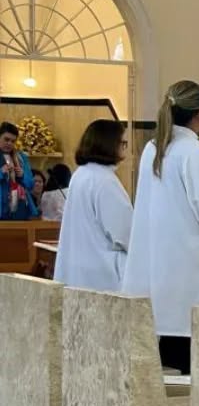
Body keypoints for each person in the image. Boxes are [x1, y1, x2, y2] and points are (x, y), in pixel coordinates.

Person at [123, 80, 199, 374]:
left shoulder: (154, 147)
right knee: (192, 348)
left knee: (170, 339)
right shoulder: (193, 151)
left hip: (164, 260)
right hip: (192, 265)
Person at [54, 122, 132, 292]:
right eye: (123, 143)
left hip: (80, 270)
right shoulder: (105, 181)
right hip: (102, 275)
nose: (124, 148)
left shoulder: (80, 175)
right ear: (109, 144)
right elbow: (124, 233)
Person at [0, 122, 37, 219]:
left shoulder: (21, 158)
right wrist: (1, 173)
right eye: (6, 139)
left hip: (19, 208)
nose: (9, 143)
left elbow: (31, 184)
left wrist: (22, 175)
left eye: (13, 141)